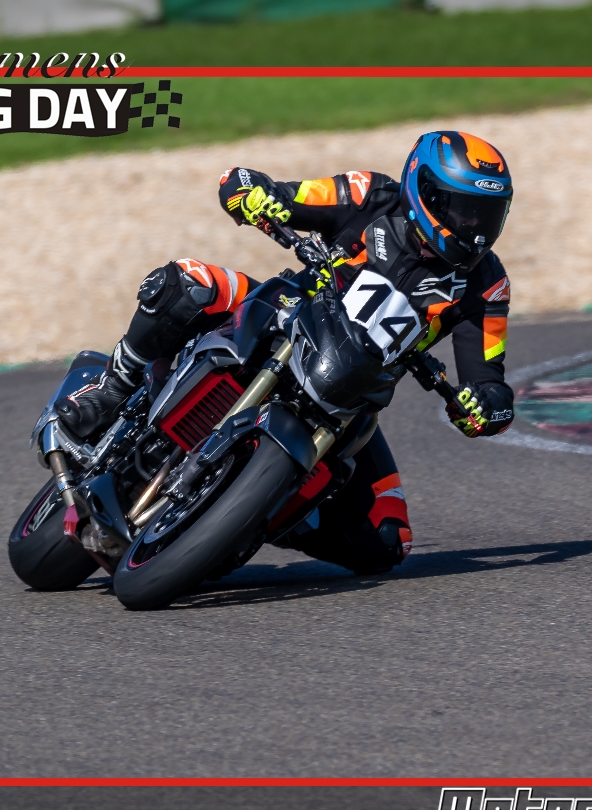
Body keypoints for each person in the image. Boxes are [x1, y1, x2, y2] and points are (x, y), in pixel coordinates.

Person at [55, 131, 517, 574]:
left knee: (387, 539)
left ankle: (257, 513)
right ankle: (111, 388)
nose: (475, 230)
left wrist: (486, 407)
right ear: (424, 191)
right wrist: (253, 194)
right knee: (189, 282)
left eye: (487, 216)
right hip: (284, 315)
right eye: (464, 212)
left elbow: (489, 381)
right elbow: (264, 188)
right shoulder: (370, 195)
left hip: (349, 397)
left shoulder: (487, 285)